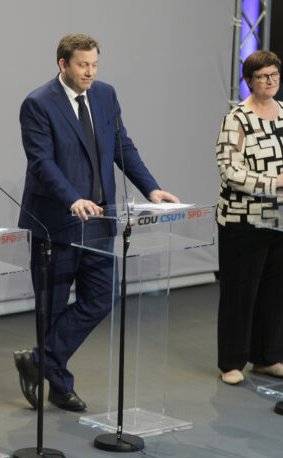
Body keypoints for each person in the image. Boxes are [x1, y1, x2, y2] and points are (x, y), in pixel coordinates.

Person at [13, 34, 178, 412]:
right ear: (63, 64)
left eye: (94, 65)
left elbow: (123, 147)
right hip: (57, 222)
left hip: (101, 220)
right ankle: (59, 386)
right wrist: (72, 198)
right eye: (82, 65)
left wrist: (151, 188)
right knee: (52, 309)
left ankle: (38, 360)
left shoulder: (105, 95)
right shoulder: (38, 104)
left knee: (102, 298)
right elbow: (42, 163)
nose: (90, 72)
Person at [215, 51, 283, 385]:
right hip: (243, 218)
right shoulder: (237, 118)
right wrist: (275, 181)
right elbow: (229, 170)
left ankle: (268, 358)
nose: (270, 81)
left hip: (281, 215)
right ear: (249, 81)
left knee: (274, 290)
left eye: (274, 75)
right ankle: (231, 363)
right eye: (263, 76)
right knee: (241, 293)